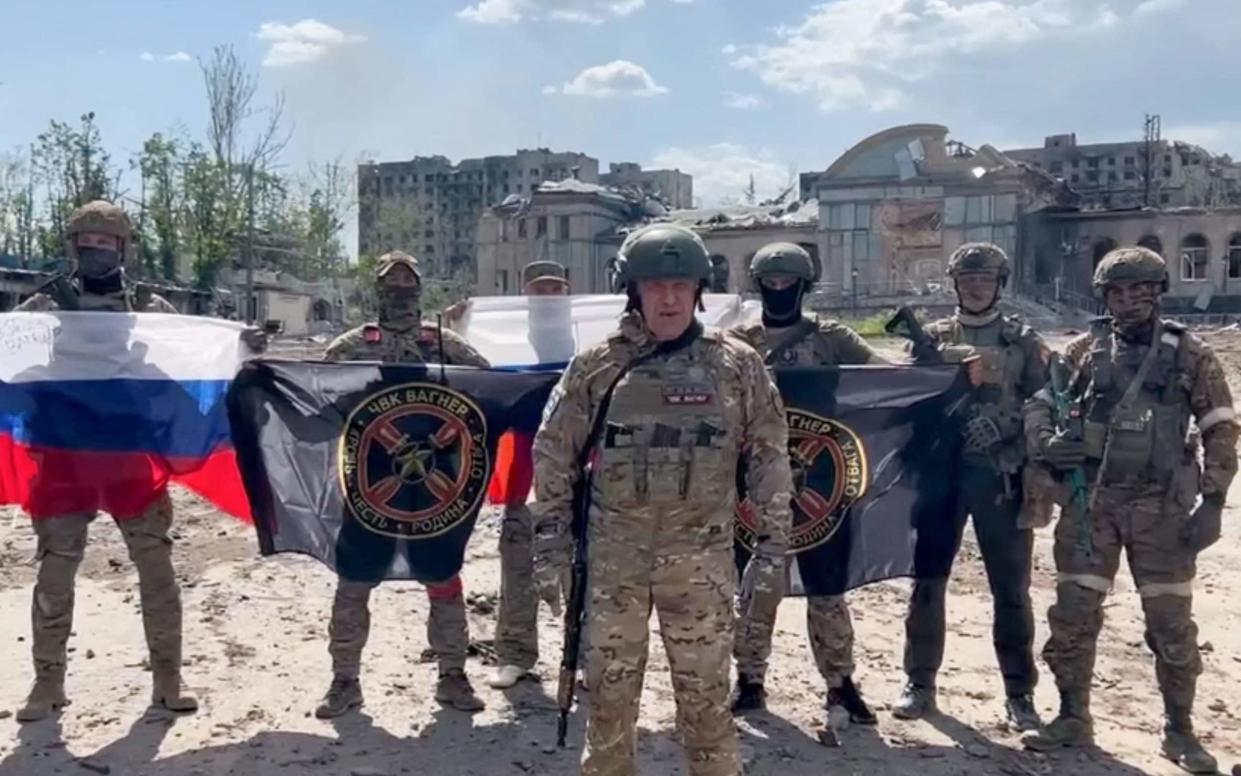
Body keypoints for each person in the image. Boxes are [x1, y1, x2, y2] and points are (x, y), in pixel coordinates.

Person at [531, 224, 794, 775]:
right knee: (606, 708)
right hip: (612, 568)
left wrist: (773, 552)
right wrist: (552, 551)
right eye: (655, 286)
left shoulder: (737, 366)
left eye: (681, 285)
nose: (669, 299)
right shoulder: (598, 367)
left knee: (706, 708)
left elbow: (768, 456)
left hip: (701, 566)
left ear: (699, 290)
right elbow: (553, 456)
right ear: (632, 291)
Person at [13, 199, 255, 721]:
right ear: (72, 246)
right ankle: (46, 684)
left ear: (123, 248)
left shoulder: (151, 309)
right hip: (66, 458)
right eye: (87, 242)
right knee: (55, 574)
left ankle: (168, 678)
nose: (96, 251)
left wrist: (238, 349)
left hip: (132, 459)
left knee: (157, 570)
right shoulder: (44, 309)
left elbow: (189, 357)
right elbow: (11, 360)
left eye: (106, 243)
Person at [1021, 247, 1237, 774]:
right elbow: (1039, 404)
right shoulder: (1080, 352)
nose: (1128, 301)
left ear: (1158, 292)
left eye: (1139, 291)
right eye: (1117, 292)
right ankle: (1072, 715)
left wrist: (1213, 503)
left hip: (1161, 509)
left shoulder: (1190, 355)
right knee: (1073, 616)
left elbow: (1221, 427)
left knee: (1169, 622)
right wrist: (1048, 442)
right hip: (1090, 504)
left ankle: (1180, 729)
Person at [316, 250, 491, 717]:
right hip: (370, 480)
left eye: (406, 282)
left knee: (442, 574)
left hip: (435, 488)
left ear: (419, 288)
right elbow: (314, 390)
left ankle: (453, 676)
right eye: (390, 283)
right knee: (355, 576)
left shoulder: (444, 343)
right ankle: (344, 681)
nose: (399, 290)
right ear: (377, 289)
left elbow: (491, 389)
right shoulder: (352, 346)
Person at [728, 242, 884, 729]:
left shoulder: (831, 338)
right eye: (770, 283)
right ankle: (749, 679)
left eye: (787, 283)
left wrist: (952, 368)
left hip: (822, 481)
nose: (779, 291)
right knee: (755, 585)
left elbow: (887, 375)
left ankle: (840, 683)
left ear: (804, 285)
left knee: (828, 586)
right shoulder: (737, 342)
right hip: (751, 484)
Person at [893, 242, 1046, 731]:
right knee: (927, 583)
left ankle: (1019, 693)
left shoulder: (1023, 341)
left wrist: (1011, 425)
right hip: (942, 478)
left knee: (1011, 590)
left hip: (999, 476)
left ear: (999, 283)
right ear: (955, 284)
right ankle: (919, 682)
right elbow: (905, 404)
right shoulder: (933, 339)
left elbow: (1051, 402)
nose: (977, 286)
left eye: (985, 278)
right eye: (968, 279)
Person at [490, 260, 571, 690]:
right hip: (523, 474)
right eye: (539, 289)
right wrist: (461, 321)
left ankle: (580, 658)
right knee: (517, 567)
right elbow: (471, 372)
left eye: (556, 289)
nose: (548, 296)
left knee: (582, 571)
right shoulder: (504, 338)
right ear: (526, 293)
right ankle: (515, 654)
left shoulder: (590, 336)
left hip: (577, 475)